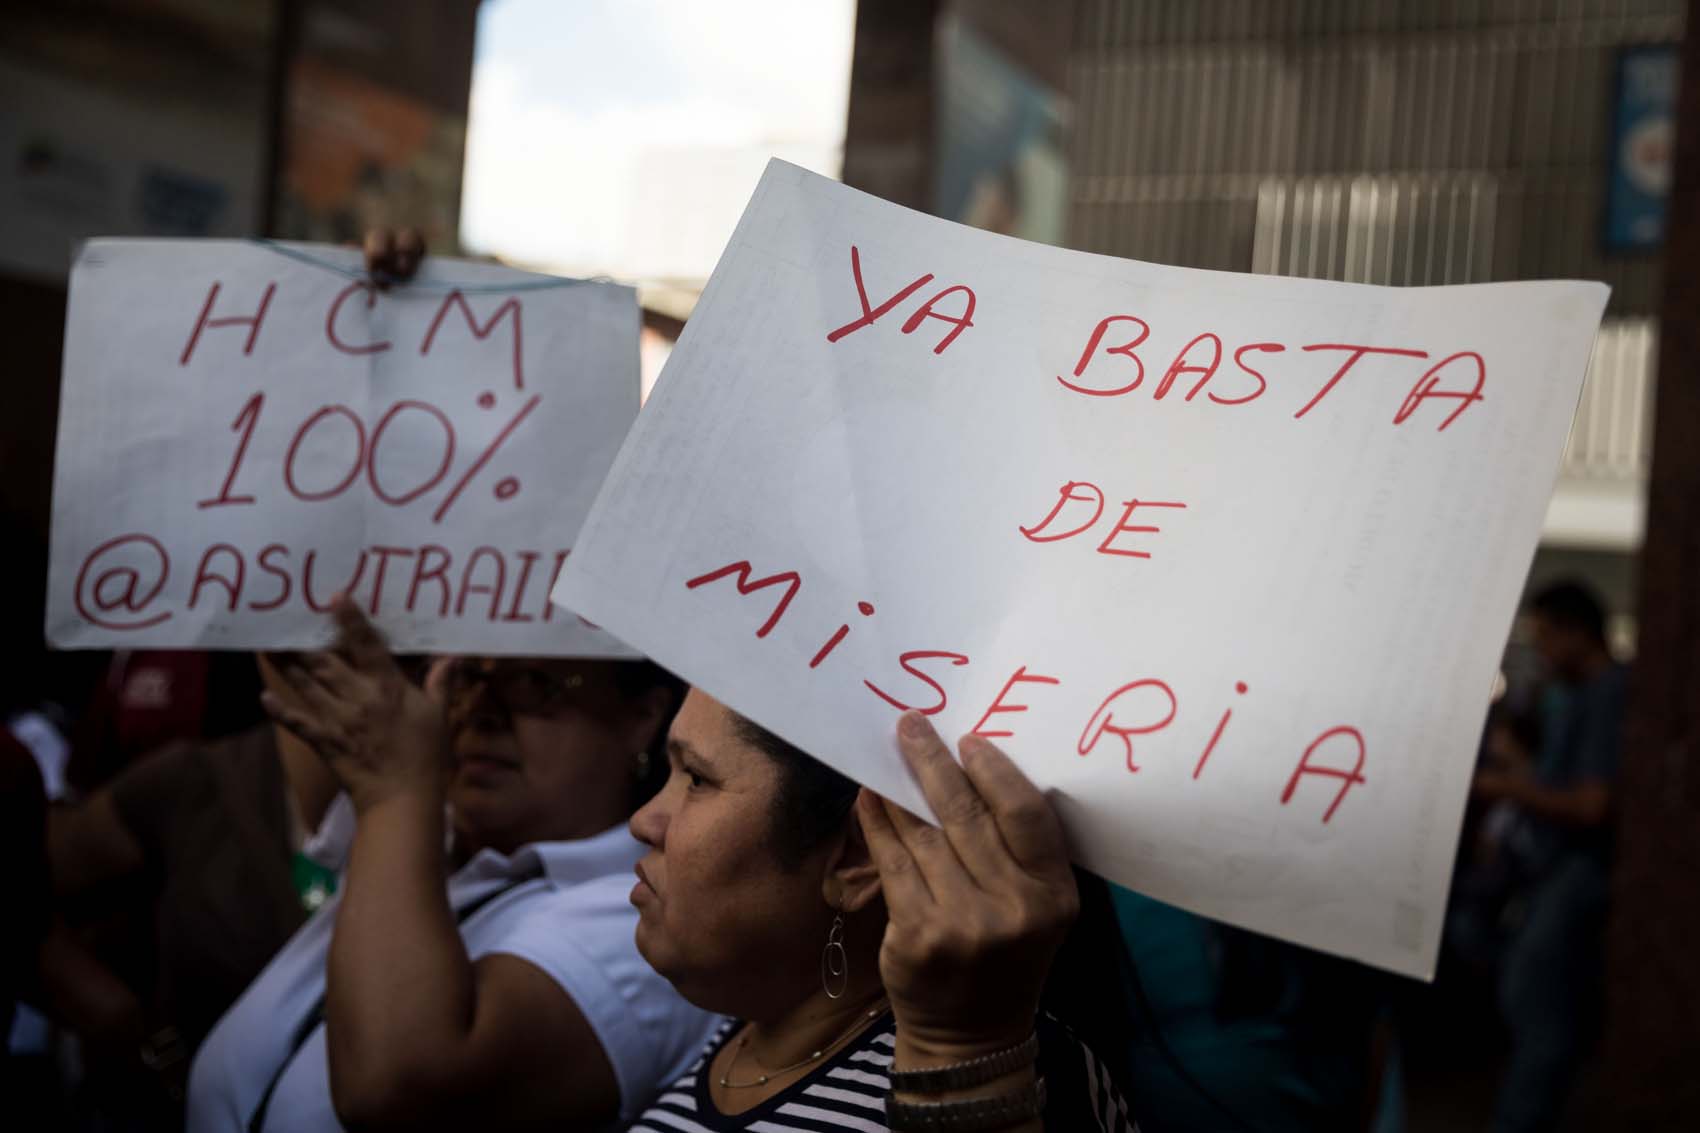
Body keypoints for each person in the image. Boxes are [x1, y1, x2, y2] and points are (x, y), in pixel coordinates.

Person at [270, 597, 1137, 1132]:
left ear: (850, 854)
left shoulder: (973, 1087)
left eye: (696, 777)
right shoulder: (756, 1030)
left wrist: (963, 1058)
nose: (646, 818)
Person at [188, 599, 721, 1131]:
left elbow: (393, 1088)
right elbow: (298, 626)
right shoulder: (433, 839)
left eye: (534, 682)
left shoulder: (647, 916)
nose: (480, 712)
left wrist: (393, 792)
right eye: (468, 676)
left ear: (641, 718)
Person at [46, 654, 353, 1122]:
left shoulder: (475, 800)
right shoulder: (193, 785)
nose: (330, 643)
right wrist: (110, 1017)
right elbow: (38, 866)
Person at [1472, 580, 1627, 1133]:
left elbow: (1589, 805)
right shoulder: (1576, 697)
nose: (1539, 654)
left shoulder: (1609, 694)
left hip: (1577, 874)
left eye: (1543, 640)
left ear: (1576, 633)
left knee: (1539, 1014)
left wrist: (1508, 788)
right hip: (1551, 873)